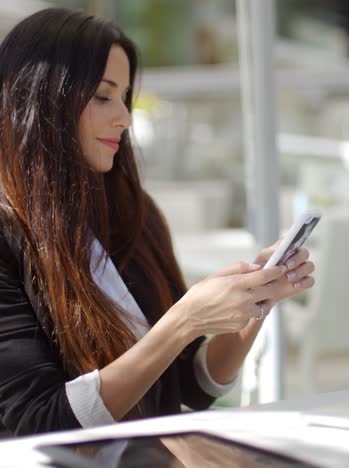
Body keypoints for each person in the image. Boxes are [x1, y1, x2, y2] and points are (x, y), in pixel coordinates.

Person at [0, 8, 315, 436]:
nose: (124, 118)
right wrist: (183, 320)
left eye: (124, 97)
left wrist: (255, 304)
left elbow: (192, 386)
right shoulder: (8, 238)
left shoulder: (132, 211)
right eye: (102, 96)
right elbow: (39, 421)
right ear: (42, 98)